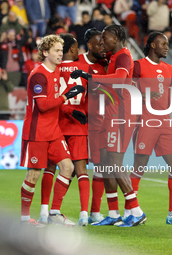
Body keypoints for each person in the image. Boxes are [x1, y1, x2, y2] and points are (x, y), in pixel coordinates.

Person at [71, 24, 147, 227]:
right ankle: (113, 213)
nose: (102, 41)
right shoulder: (112, 57)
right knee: (105, 163)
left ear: (116, 38)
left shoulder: (123, 56)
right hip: (112, 113)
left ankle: (136, 210)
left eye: (105, 38)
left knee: (114, 162)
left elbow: (121, 78)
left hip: (122, 114)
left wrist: (92, 78)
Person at [129, 31, 172, 225]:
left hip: (164, 122)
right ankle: (130, 210)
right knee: (139, 167)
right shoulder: (138, 66)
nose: (167, 47)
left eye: (167, 44)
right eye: (163, 44)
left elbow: (167, 97)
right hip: (145, 121)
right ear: (152, 46)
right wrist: (145, 96)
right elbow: (128, 92)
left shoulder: (169, 69)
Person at [20, 35, 85, 226]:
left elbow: (54, 103)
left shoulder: (55, 72)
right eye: (56, 50)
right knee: (33, 175)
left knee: (68, 167)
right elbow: (42, 105)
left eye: (61, 50)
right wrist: (66, 97)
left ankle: (54, 213)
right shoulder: (38, 74)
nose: (60, 54)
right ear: (45, 52)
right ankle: (24, 218)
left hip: (53, 131)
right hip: (37, 132)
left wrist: (72, 111)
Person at [38, 33, 90, 226]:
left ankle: (45, 211)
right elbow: (92, 95)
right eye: (76, 48)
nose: (79, 51)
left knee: (50, 168)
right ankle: (84, 214)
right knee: (81, 170)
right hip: (78, 126)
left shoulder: (55, 70)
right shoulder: (85, 69)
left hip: (57, 123)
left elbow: (53, 97)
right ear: (71, 49)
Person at [76, 28, 106, 224]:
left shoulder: (106, 65)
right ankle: (55, 211)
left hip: (99, 124)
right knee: (73, 169)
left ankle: (95, 212)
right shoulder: (76, 62)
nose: (103, 47)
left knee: (100, 168)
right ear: (90, 45)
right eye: (99, 44)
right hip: (77, 123)